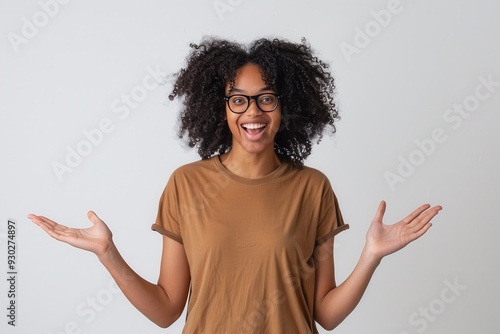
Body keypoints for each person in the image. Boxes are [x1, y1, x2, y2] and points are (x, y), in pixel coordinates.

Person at [28, 37, 442, 333]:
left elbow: (326, 316)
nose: (253, 112)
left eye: (267, 97)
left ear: (286, 106)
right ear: (220, 108)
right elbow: (167, 310)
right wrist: (107, 252)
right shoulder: (186, 185)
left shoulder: (312, 189)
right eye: (238, 99)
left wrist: (371, 255)